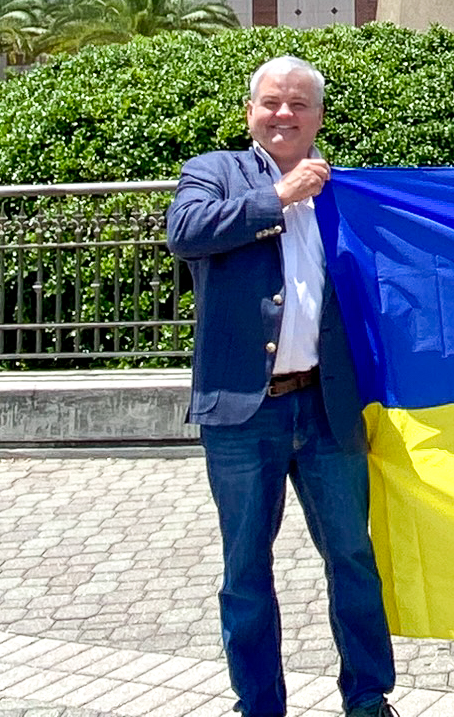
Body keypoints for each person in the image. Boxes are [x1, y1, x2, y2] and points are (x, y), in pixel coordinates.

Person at [168, 55, 398, 717]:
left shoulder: (345, 191)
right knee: (245, 573)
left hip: (327, 411)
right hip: (243, 416)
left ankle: (367, 698)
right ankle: (259, 705)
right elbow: (185, 232)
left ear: (318, 117)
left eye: (299, 104)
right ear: (250, 113)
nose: (284, 114)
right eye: (271, 102)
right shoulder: (215, 173)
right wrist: (281, 196)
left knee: (353, 560)